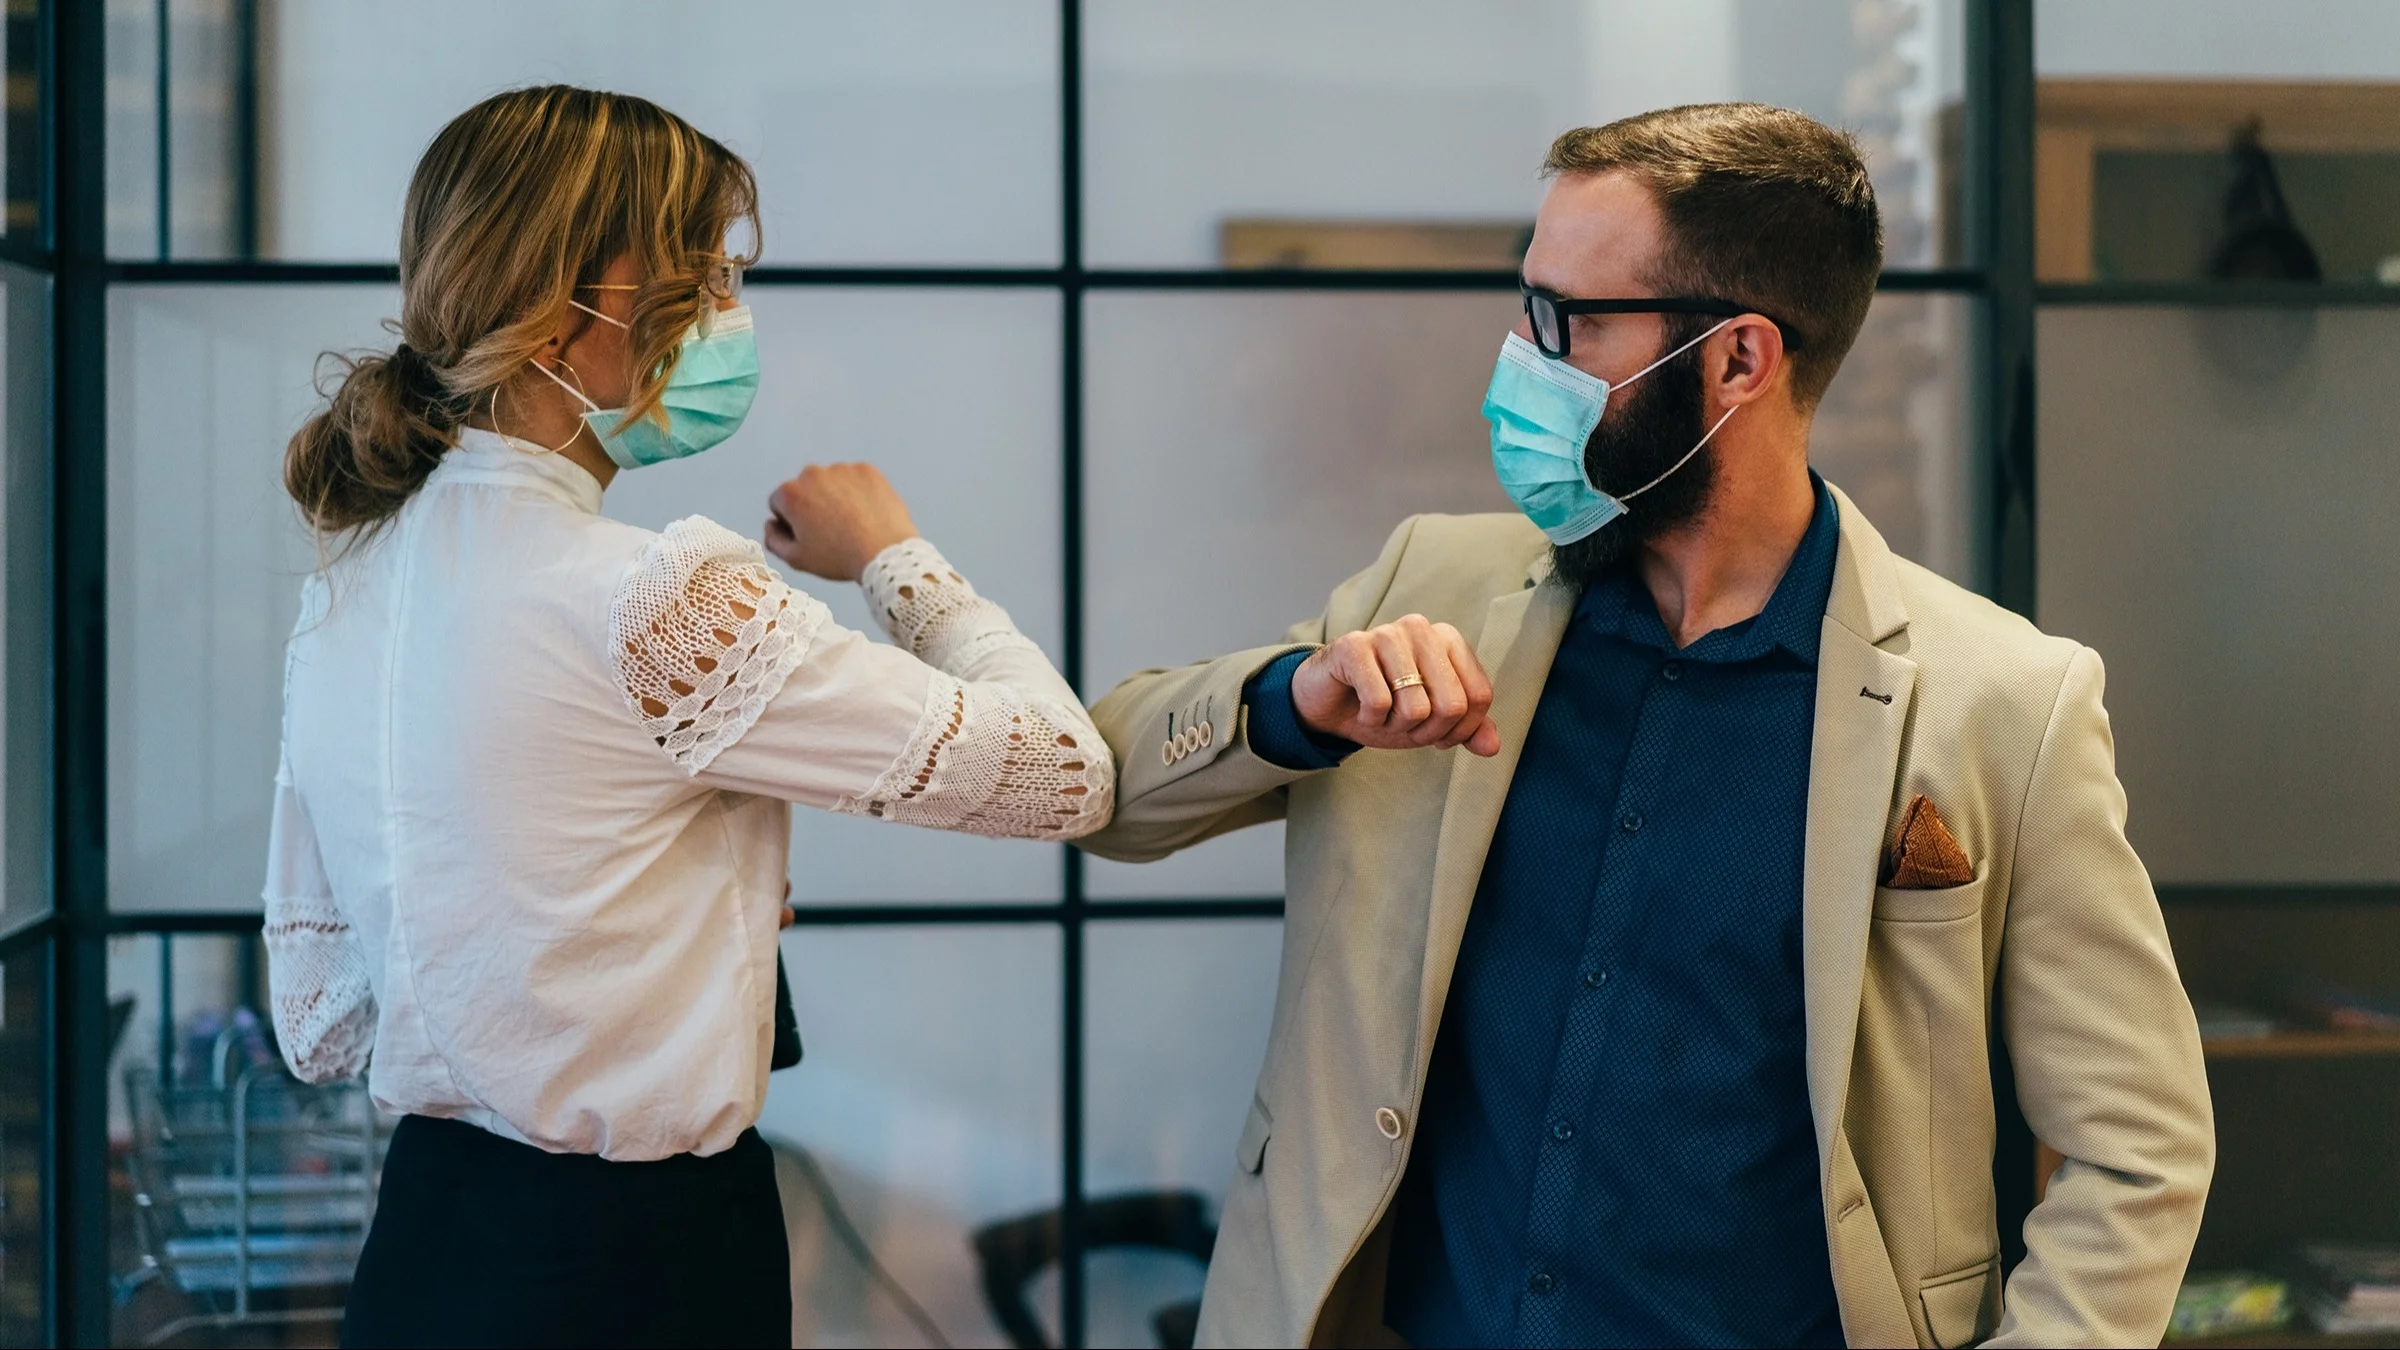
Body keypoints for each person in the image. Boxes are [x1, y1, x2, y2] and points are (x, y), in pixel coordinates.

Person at [1078, 103, 2213, 1348]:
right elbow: (1099, 787)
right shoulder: (1427, 586)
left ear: (1739, 361)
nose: (1525, 359)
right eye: (1530, 305)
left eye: (1573, 321)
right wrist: (1299, 699)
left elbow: (2139, 1144)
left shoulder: (2005, 700)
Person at [263, 86, 1113, 1349]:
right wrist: (894, 557)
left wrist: (658, 915)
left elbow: (323, 1021)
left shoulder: (347, 587)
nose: (726, 315)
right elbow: (1065, 773)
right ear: (571, 308)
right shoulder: (653, 600)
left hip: (423, 1253)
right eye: (703, 278)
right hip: (634, 1271)